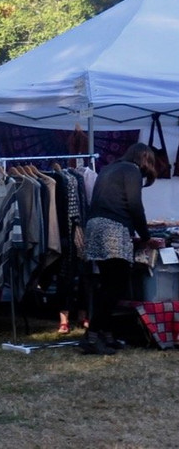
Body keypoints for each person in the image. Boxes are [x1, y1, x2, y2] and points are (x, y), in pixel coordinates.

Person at [82, 142, 156, 355]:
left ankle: (106, 334)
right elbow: (134, 205)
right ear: (143, 158)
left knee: (107, 283)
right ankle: (93, 336)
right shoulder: (131, 170)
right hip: (113, 229)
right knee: (116, 286)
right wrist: (146, 236)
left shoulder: (109, 168)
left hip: (95, 226)